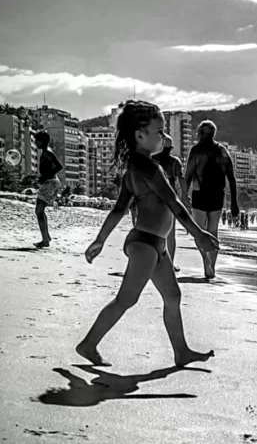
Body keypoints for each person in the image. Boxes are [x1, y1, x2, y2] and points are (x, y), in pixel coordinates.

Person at [77, 100, 218, 367]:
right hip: (145, 245)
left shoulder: (135, 167)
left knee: (172, 296)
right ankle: (88, 344)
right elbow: (174, 204)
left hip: (155, 244)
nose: (164, 136)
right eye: (159, 131)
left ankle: (181, 351)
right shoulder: (149, 169)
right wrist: (198, 234)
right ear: (140, 135)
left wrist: (100, 240)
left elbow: (119, 209)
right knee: (126, 299)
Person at [185, 120, 239, 280]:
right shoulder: (223, 151)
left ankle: (206, 260)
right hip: (217, 196)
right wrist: (234, 203)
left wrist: (182, 197)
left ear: (201, 134)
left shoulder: (196, 150)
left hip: (199, 195)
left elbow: (188, 176)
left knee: (199, 232)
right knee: (213, 231)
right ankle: (212, 267)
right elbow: (232, 179)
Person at [152, 134, 189, 272]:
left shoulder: (152, 160)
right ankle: (169, 264)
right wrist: (184, 197)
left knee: (154, 231)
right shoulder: (175, 162)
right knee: (170, 234)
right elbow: (182, 180)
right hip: (170, 197)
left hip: (154, 196)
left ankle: (153, 262)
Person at [34, 131, 64, 248]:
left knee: (39, 211)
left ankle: (45, 240)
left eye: (37, 140)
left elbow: (59, 166)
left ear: (43, 141)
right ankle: (46, 237)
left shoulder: (47, 153)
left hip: (50, 182)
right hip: (50, 182)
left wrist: (45, 176)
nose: (35, 142)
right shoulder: (45, 152)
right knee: (40, 211)